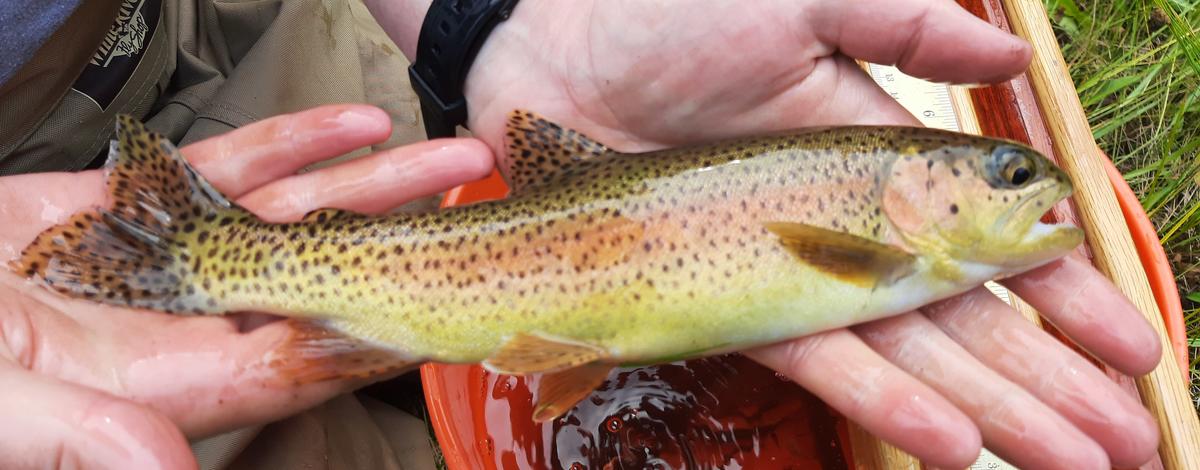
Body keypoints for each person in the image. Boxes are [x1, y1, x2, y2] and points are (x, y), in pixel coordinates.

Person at [0, 0, 1163, 469]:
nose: (1031, 189)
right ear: (925, 191)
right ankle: (198, 260)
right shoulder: (884, 249)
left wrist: (487, 19)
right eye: (1008, 174)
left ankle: (206, 258)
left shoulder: (889, 236)